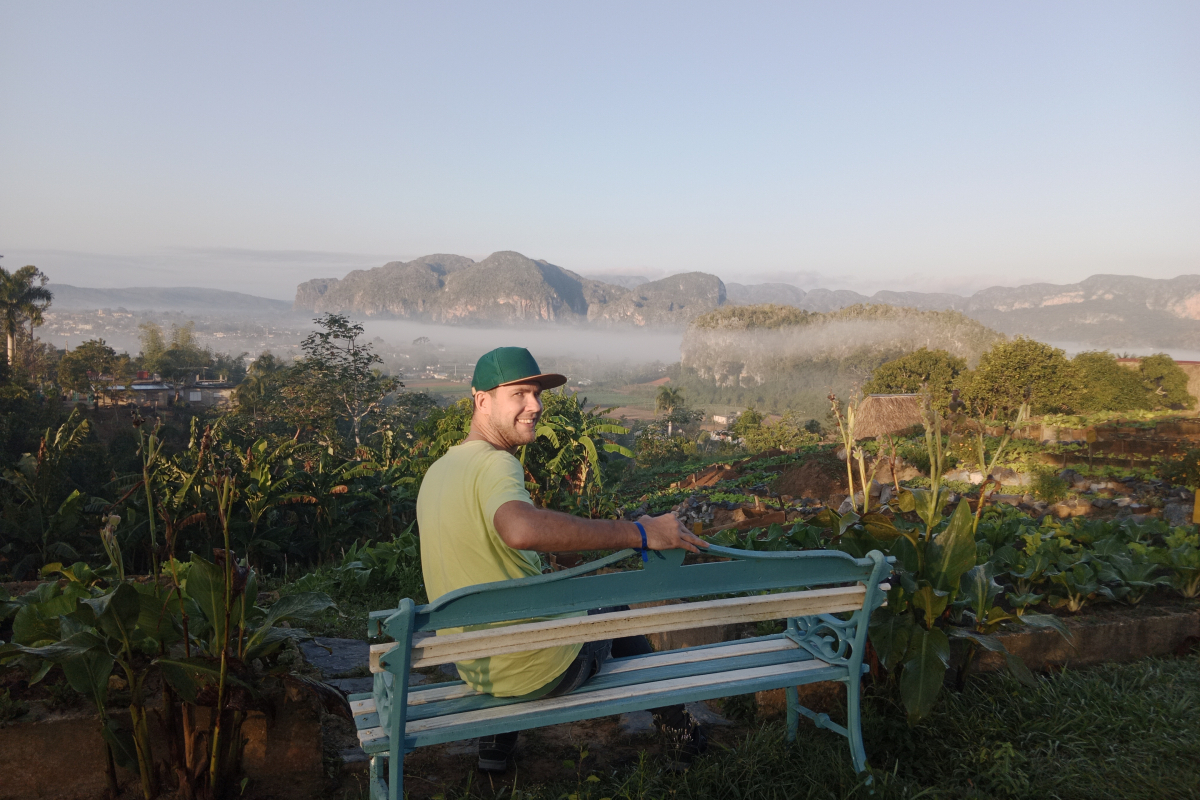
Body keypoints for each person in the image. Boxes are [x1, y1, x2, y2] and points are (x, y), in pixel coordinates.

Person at [417, 346, 711, 773]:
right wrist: (641, 532)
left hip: (480, 670)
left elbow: (486, 554)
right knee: (610, 607)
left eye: (537, 394)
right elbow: (520, 529)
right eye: (519, 394)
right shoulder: (496, 465)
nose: (535, 406)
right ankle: (682, 733)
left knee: (554, 606)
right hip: (539, 670)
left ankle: (495, 750)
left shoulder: (438, 473)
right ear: (482, 401)